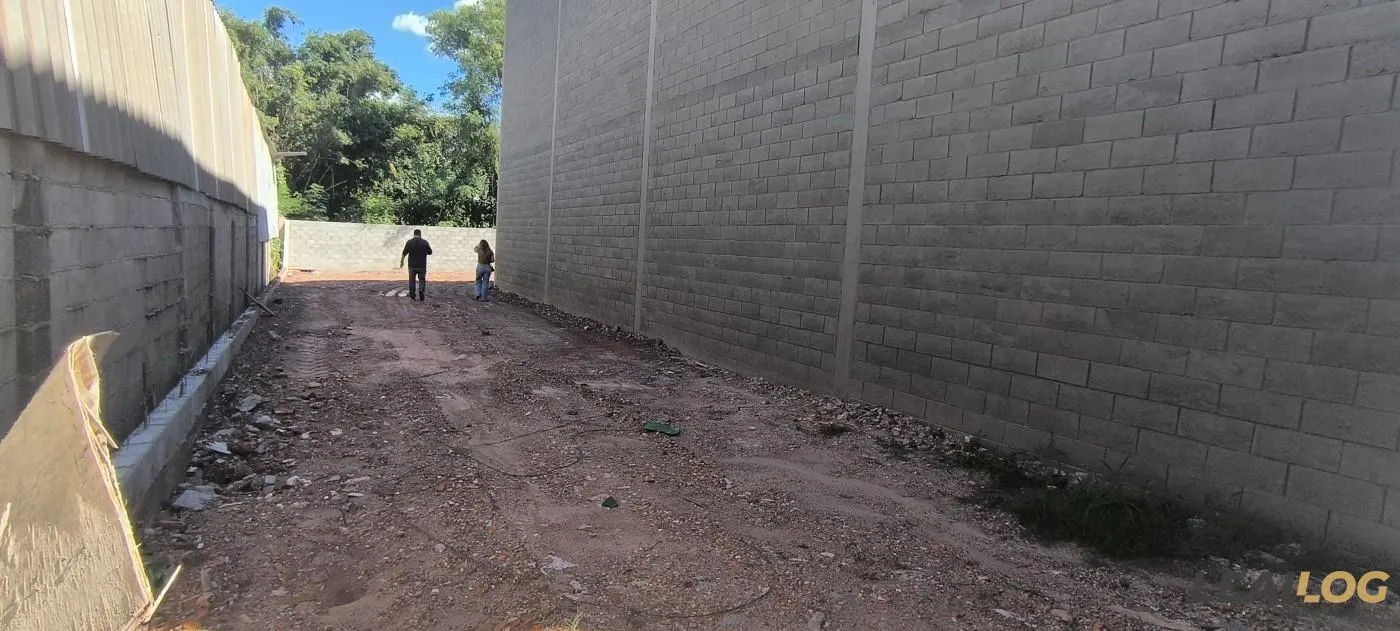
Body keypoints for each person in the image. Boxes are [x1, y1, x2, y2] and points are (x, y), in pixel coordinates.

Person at [399, 229, 433, 301]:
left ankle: (412, 296)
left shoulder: (409, 242)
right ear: (420, 234)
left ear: (414, 234)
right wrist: (424, 252)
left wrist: (401, 261)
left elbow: (404, 253)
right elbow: (430, 252)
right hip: (422, 266)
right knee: (422, 280)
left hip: (412, 266)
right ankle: (421, 291)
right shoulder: (425, 242)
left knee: (412, 280)